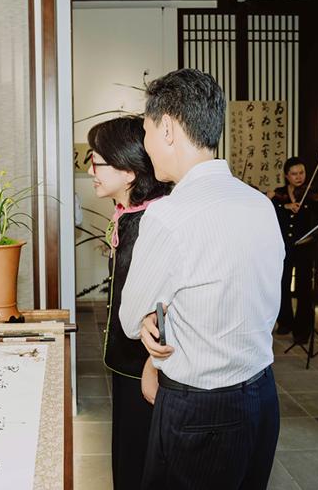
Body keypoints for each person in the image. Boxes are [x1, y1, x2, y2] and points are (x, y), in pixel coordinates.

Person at [119, 68, 284, 489]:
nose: (146, 145)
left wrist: (150, 321)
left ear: (167, 128)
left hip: (200, 413)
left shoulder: (168, 216)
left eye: (146, 131)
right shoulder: (260, 204)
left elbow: (130, 318)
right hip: (263, 396)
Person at [86, 116, 173, 490]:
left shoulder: (153, 222)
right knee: (126, 456)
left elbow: (166, 302)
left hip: (145, 366)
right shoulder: (128, 215)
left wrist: (153, 364)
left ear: (128, 171)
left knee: (140, 463)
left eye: (97, 162)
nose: (90, 171)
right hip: (126, 361)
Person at [266, 158, 318, 344]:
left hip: (305, 247)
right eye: (294, 174)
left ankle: (302, 329)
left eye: (301, 173)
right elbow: (270, 213)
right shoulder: (279, 194)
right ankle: (285, 321)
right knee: (282, 284)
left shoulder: (312, 195)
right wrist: (283, 206)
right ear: (287, 176)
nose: (299, 177)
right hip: (284, 247)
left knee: (304, 288)